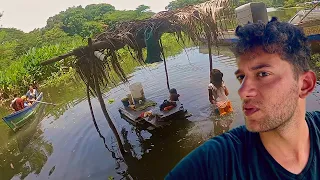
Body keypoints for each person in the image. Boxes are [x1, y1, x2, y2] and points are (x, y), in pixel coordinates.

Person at [166, 17, 320, 179]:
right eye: (241, 77)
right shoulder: (217, 161)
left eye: (263, 74)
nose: (242, 92)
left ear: (304, 85)